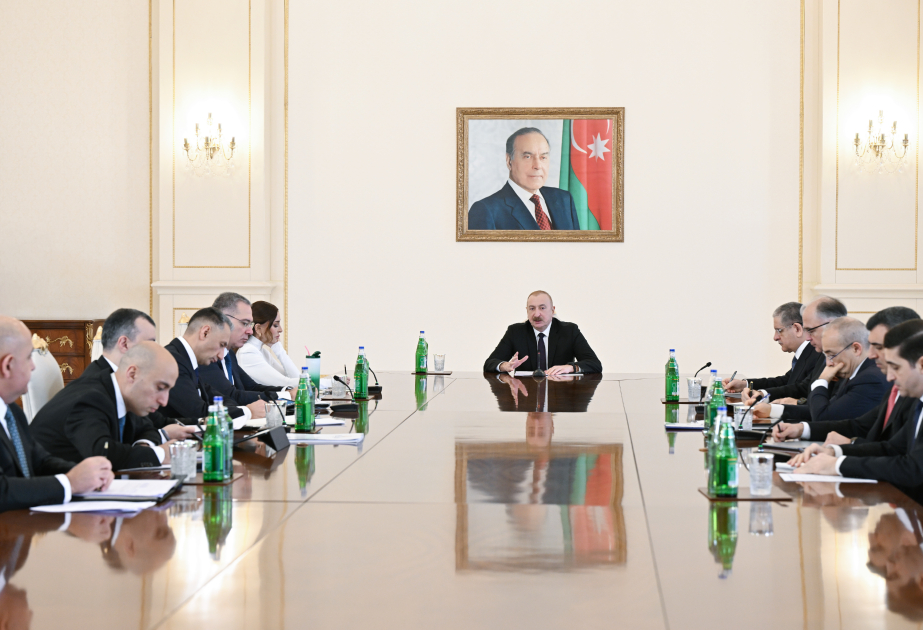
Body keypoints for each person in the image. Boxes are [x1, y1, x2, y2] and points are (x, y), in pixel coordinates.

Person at [788, 320, 923, 492]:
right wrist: (835, 452)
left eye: (895, 367)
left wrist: (837, 465)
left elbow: (912, 468)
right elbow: (892, 448)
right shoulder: (913, 397)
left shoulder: (882, 383)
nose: (890, 377)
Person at [0, 316, 113, 510]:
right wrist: (70, 483)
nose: (33, 366)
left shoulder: (12, 412)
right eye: (28, 357)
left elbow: (39, 461)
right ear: (8, 365)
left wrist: (84, 474)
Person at [772, 307, 920, 444]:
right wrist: (802, 429)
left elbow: (824, 417)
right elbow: (859, 425)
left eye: (879, 347)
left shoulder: (873, 379)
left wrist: (843, 451)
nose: (872, 354)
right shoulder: (864, 376)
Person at [31, 342, 179, 471]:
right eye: (160, 388)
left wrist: (143, 444)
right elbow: (102, 453)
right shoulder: (91, 398)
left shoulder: (125, 395)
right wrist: (160, 454)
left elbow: (147, 429)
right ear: (132, 374)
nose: (164, 401)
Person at [79, 308, 195, 436]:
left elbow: (157, 422)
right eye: (150, 343)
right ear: (124, 344)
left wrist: (201, 422)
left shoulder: (129, 379)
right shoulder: (93, 388)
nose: (155, 350)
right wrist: (162, 436)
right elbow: (110, 444)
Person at [743, 296, 848, 418]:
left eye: (811, 330)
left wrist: (797, 403)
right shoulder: (823, 355)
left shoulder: (845, 361)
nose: (807, 337)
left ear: (831, 325)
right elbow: (803, 386)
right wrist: (762, 395)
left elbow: (832, 410)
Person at [161, 307, 264, 425]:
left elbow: (223, 399)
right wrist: (248, 412)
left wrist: (237, 409)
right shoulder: (172, 360)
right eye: (221, 345)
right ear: (205, 332)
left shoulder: (186, 359)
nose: (221, 356)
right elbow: (198, 412)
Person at [468, 128, 579, 230]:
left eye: (543, 157)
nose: (538, 166)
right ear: (509, 161)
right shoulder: (486, 211)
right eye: (528, 157)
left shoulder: (564, 199)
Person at [484, 290, 602, 375]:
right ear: (527, 311)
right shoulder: (515, 332)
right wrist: (505, 365)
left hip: (560, 394)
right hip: (527, 394)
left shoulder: (569, 331)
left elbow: (594, 364)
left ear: (553, 310)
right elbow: (490, 363)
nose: (536, 314)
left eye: (542, 308)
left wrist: (571, 367)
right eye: (532, 308)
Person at [198, 293, 282, 403]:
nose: (250, 331)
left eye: (250, 324)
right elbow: (231, 396)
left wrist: (288, 392)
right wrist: (286, 395)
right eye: (245, 323)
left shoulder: (229, 354)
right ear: (223, 320)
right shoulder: (206, 355)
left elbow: (252, 387)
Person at [723, 302, 823, 393]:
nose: (775, 337)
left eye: (779, 330)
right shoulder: (806, 353)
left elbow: (802, 389)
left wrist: (762, 395)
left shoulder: (816, 354)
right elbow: (785, 381)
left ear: (797, 329)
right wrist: (745, 384)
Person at [236, 300, 302, 389]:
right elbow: (287, 383)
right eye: (275, 325)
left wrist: (278, 348)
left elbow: (294, 378)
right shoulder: (248, 352)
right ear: (258, 328)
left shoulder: (263, 352)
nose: (281, 330)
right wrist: (315, 382)